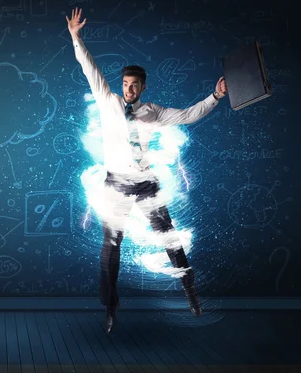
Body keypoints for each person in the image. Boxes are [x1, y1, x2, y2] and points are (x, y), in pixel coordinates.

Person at [66, 8, 228, 334]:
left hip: (145, 185)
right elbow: (89, 68)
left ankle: (190, 292)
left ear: (142, 88)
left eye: (134, 85)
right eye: (125, 84)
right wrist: (75, 37)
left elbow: (187, 115)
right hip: (115, 184)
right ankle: (111, 307)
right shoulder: (108, 101)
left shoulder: (153, 113)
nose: (128, 89)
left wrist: (215, 96)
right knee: (110, 247)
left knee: (171, 239)